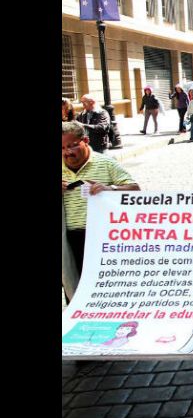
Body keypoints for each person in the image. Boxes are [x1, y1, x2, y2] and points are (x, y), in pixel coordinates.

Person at [62, 121, 140, 298]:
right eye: (63, 148)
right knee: (76, 290)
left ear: (85, 141)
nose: (67, 152)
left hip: (103, 238)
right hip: (70, 241)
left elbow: (134, 189)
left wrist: (110, 189)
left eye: (72, 145)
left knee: (106, 289)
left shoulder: (105, 163)